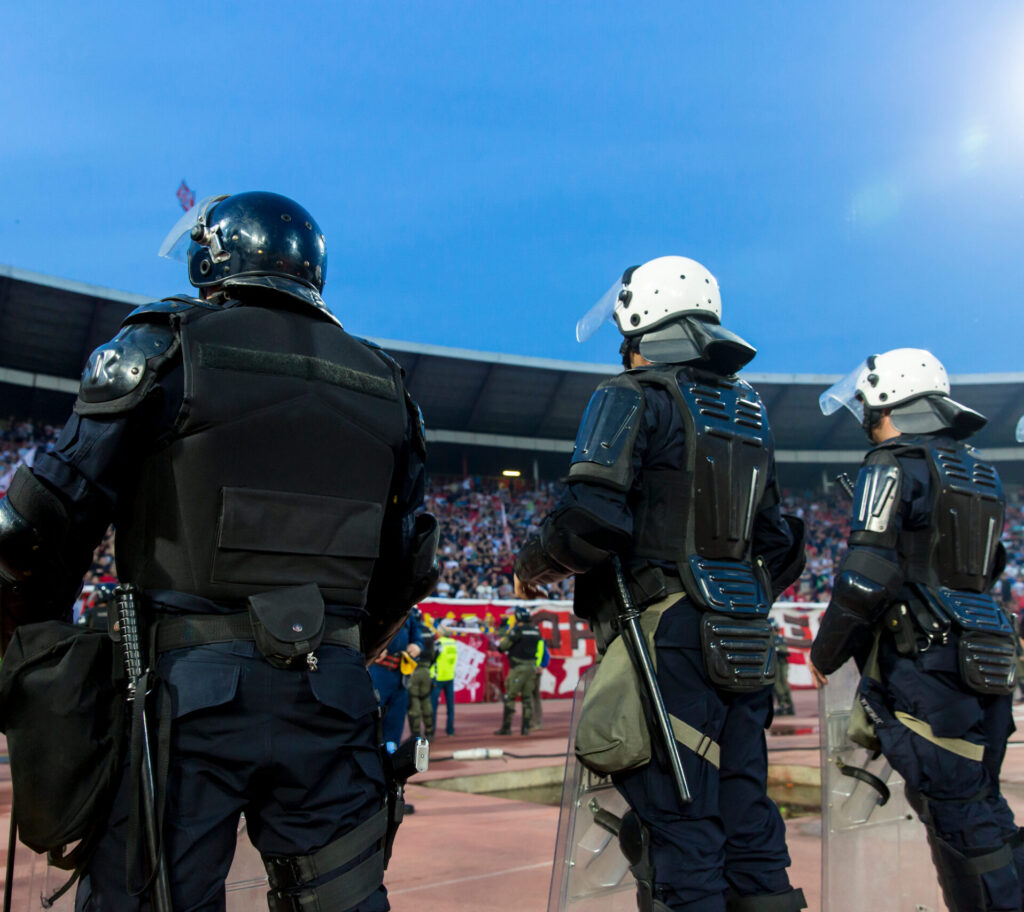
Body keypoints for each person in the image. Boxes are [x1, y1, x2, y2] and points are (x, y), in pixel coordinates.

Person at [0, 191, 439, 912]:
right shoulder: (388, 385)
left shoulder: (166, 344)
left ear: (213, 260)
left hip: (185, 697)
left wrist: (39, 647)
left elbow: (39, 519)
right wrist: (339, 652)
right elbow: (407, 567)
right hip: (333, 696)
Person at [515, 256, 807, 912]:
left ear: (639, 318)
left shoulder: (632, 394)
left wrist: (530, 566)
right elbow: (779, 543)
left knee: (680, 830)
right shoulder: (749, 411)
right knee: (748, 819)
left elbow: (588, 519)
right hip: (744, 635)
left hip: (667, 635)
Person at [811, 349, 1021, 912]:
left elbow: (864, 577)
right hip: (986, 657)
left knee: (958, 816)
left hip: (928, 665)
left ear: (887, 399)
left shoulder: (890, 462)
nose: (864, 413)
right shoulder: (980, 471)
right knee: (983, 804)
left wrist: (826, 652)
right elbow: (991, 566)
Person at [369, 610, 423, 748]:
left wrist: (417, 645)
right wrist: (374, 645)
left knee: (395, 723)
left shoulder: (409, 612)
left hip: (400, 675)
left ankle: (391, 753)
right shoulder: (374, 606)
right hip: (377, 672)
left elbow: (417, 635)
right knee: (372, 721)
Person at [494, 605, 543, 735]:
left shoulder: (517, 631)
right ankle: (525, 728)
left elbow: (502, 647)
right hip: (532, 668)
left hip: (518, 668)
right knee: (527, 698)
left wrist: (504, 631)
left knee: (510, 697)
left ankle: (506, 728)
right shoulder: (536, 630)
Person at [407, 612, 436, 740]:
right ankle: (429, 732)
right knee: (426, 701)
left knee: (413, 703)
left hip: (413, 670)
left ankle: (415, 734)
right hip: (426, 670)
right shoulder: (429, 631)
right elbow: (434, 653)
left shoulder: (412, 632)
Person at [431, 618, 458, 736]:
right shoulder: (453, 643)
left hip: (438, 678)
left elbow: (432, 658)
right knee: (450, 707)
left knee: (433, 707)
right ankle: (450, 730)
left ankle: (431, 731)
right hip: (449, 677)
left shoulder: (438, 643)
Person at [771, 619, 795, 716]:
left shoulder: (777, 639)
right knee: (780, 684)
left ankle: (784, 705)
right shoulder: (776, 638)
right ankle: (786, 705)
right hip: (777, 663)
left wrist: (776, 650)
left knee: (779, 684)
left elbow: (784, 651)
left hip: (780, 663)